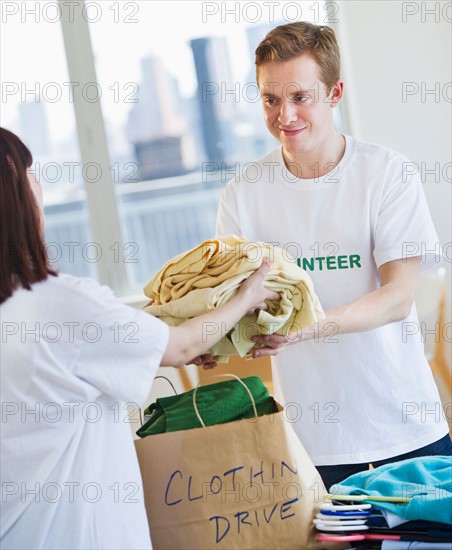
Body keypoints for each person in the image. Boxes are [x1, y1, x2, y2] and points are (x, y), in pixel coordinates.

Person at [197, 21, 452, 489]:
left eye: (300, 97)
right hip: (313, 443)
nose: (285, 115)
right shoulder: (243, 194)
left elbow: (397, 298)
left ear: (334, 93)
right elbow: (238, 300)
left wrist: (303, 330)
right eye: (270, 99)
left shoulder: (386, 174)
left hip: (406, 428)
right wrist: (210, 337)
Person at [0, 127, 278, 549]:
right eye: (30, 172)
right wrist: (247, 297)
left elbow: (125, 340)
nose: (38, 184)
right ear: (15, 191)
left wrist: (185, 337)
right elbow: (178, 345)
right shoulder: (60, 303)